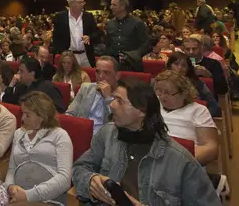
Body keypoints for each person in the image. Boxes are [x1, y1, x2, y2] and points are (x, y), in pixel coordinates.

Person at [72, 77, 221, 206]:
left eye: (120, 101)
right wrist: (91, 180)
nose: (111, 105)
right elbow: (80, 168)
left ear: (141, 111)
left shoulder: (179, 160)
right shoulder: (107, 134)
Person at [4, 91, 73, 204]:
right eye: (23, 113)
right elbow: (11, 169)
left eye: (27, 115)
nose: (22, 118)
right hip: (18, 197)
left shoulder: (59, 135)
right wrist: (10, 187)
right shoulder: (18, 134)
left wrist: (28, 195)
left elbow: (65, 179)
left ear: (42, 116)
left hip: (48, 200)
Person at [153, 70, 219, 166]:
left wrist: (180, 164)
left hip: (182, 163)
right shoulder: (153, 104)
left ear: (183, 93)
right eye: (159, 91)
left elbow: (210, 148)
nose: (162, 96)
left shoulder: (198, 110)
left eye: (167, 92)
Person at [66, 56, 118, 133]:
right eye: (98, 72)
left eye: (106, 73)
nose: (101, 77)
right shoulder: (86, 88)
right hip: (81, 132)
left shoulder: (121, 96)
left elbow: (115, 124)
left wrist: (108, 98)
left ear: (117, 76)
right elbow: (70, 113)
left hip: (103, 139)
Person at [52, 0, 100, 68]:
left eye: (83, 2)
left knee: (88, 78)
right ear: (71, 4)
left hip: (86, 56)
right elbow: (56, 37)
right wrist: (61, 52)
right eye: (80, 2)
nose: (83, 4)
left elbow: (97, 33)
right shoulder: (60, 17)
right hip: (69, 57)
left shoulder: (88, 16)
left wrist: (89, 37)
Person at [166, 52, 220, 117]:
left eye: (183, 65)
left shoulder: (197, 83)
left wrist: (200, 117)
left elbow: (214, 106)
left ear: (188, 68)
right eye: (176, 64)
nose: (179, 68)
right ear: (169, 65)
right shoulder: (160, 82)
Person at [105, 0, 150, 71]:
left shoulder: (137, 23)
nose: (111, 7)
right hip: (113, 64)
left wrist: (132, 55)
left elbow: (146, 44)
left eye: (114, 5)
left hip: (132, 64)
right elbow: (108, 44)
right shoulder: (110, 24)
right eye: (111, 4)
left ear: (122, 7)